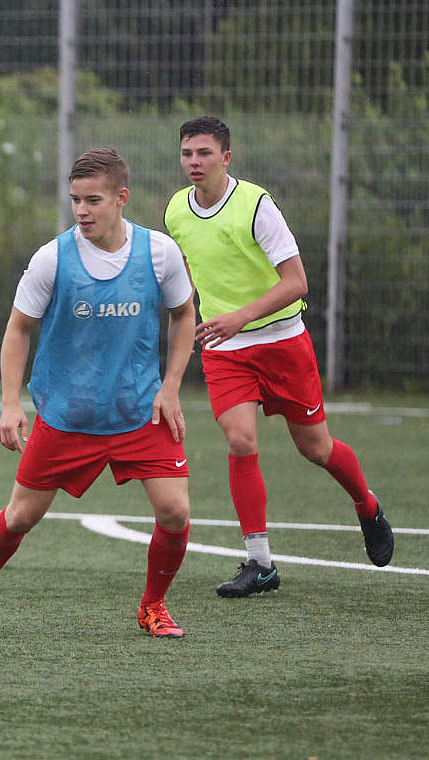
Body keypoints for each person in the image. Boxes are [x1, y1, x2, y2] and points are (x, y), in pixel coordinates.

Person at [0, 148, 196, 638]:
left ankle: (153, 606)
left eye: (93, 200)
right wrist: (11, 403)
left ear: (122, 198)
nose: (82, 211)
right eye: (75, 200)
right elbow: (17, 329)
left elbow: (184, 315)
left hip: (138, 411)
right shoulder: (52, 258)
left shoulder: (159, 252)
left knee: (176, 511)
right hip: (68, 415)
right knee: (20, 517)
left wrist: (172, 387)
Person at [166, 116, 394, 597]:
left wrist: (238, 317)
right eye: (187, 153)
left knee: (316, 449)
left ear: (226, 157)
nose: (194, 162)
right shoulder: (176, 212)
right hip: (225, 350)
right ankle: (260, 563)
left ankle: (367, 506)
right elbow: (187, 274)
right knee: (241, 442)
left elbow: (297, 282)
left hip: (283, 342)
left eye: (204, 153)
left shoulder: (255, 205)